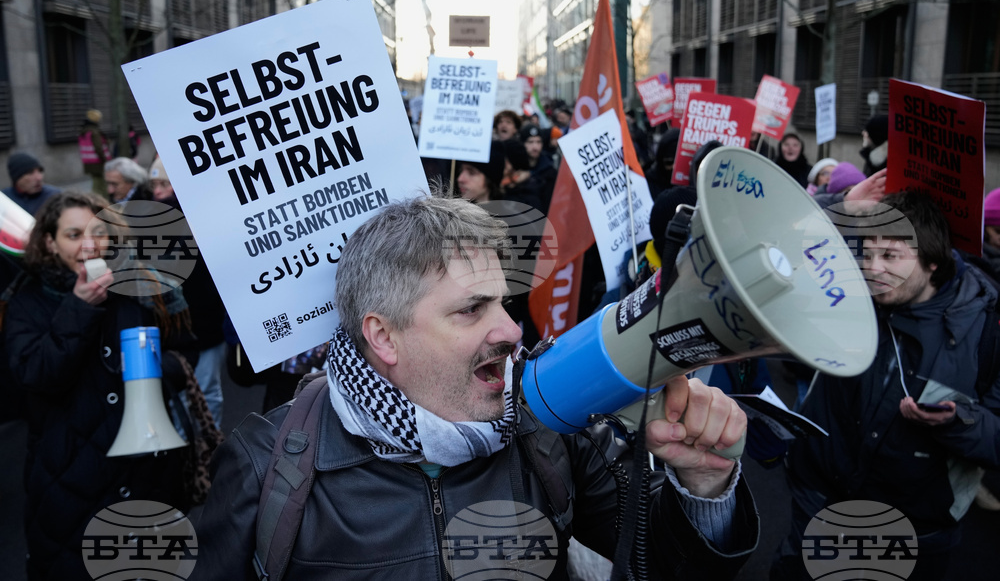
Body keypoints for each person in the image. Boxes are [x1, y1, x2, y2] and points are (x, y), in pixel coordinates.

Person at [193, 194, 759, 579]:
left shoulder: (547, 426)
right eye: (471, 309)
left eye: (503, 304)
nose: (512, 331)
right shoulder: (268, 465)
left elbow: (656, 562)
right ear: (383, 337)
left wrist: (704, 486)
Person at [772, 191, 1000, 580]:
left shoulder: (985, 333)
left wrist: (958, 423)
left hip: (912, 529)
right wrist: (843, 204)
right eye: (867, 253)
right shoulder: (850, 293)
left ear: (932, 261)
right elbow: (777, 245)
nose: (872, 269)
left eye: (891, 256)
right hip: (819, 501)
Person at [4, 191, 197, 579]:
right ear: (50, 242)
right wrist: (78, 308)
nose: (89, 245)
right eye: (74, 235)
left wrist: (155, 369)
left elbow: (184, 354)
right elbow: (35, 375)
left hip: (145, 475)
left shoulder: (140, 288)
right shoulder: (27, 302)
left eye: (98, 233)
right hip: (70, 481)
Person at [149, 157, 228, 427]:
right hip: (173, 328)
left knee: (206, 391)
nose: (158, 191)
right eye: (154, 185)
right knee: (181, 395)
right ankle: (190, 447)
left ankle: (209, 445)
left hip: (203, 325)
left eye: (164, 184)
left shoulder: (202, 217)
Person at [77, 109, 112, 196]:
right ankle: (100, 200)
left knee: (97, 181)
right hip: (98, 162)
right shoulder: (95, 132)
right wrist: (105, 159)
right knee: (100, 183)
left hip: (89, 162)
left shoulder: (84, 132)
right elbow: (98, 148)